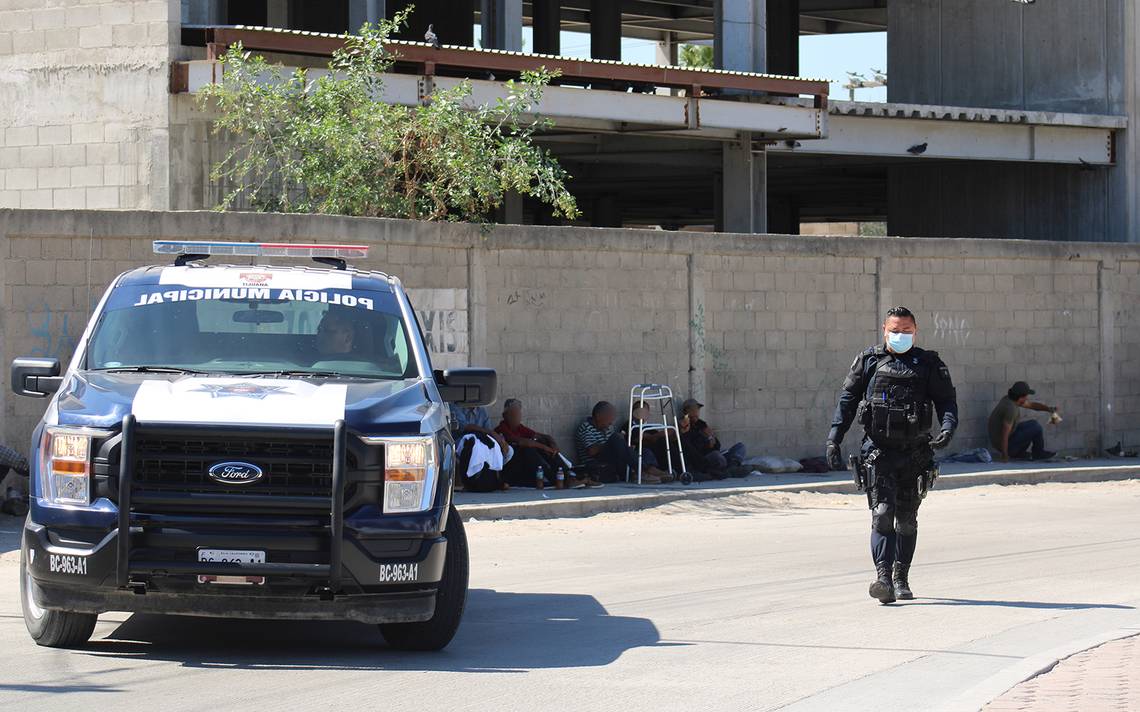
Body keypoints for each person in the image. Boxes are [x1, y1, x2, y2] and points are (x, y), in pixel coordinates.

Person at [825, 306, 958, 604]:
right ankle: (882, 577)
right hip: (879, 450)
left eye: (906, 331)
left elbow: (947, 401)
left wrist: (948, 428)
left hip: (915, 452)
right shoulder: (869, 361)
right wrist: (834, 438)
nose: (900, 336)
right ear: (884, 329)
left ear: (916, 331)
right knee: (883, 515)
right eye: (895, 330)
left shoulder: (928, 363)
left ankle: (901, 578)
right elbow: (847, 401)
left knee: (907, 519)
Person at [495, 399, 595, 488]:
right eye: (513, 415)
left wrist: (552, 444)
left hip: (525, 466)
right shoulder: (501, 428)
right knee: (529, 450)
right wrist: (544, 448)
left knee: (544, 444)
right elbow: (521, 441)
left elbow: (543, 436)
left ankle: (569, 476)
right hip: (511, 469)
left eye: (518, 414)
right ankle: (558, 480)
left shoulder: (520, 427)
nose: (517, 417)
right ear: (505, 416)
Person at [575, 401, 672, 484]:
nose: (611, 422)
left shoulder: (607, 427)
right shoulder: (586, 428)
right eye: (609, 418)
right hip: (596, 463)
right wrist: (613, 443)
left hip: (613, 461)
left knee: (643, 451)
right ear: (598, 416)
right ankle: (642, 472)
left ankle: (647, 471)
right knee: (616, 439)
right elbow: (591, 451)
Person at [987, 382, 1058, 462]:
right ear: (1020, 397)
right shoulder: (1011, 409)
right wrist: (1005, 455)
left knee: (1031, 424)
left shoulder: (1009, 399)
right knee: (1035, 427)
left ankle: (1020, 453)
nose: (1027, 398)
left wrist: (1049, 409)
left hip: (1007, 439)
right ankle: (1038, 453)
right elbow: (1005, 435)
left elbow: (1032, 405)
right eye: (1026, 396)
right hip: (1007, 446)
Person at [679, 398, 748, 479]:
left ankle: (732, 466)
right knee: (717, 456)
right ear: (686, 412)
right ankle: (730, 468)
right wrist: (708, 444)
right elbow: (691, 448)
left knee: (740, 447)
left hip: (715, 455)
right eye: (693, 410)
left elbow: (717, 445)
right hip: (703, 460)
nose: (696, 412)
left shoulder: (701, 424)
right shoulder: (684, 426)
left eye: (697, 410)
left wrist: (712, 440)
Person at [453, 405, 511, 492]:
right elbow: (466, 427)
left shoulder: (482, 411)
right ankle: (471, 482)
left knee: (508, 450)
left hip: (482, 440)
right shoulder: (456, 407)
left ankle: (494, 480)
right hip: (463, 441)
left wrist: (501, 442)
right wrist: (490, 433)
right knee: (476, 448)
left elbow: (488, 431)